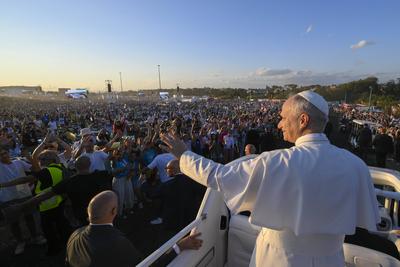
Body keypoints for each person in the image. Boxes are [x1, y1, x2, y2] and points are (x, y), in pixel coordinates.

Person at [161, 90, 380, 267]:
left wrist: (184, 155)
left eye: (283, 118)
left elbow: (220, 176)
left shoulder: (276, 162)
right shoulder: (356, 165)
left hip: (280, 260)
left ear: (303, 120)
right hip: (331, 260)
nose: (279, 124)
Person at [66, 190, 203, 267]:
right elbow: (145, 266)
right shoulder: (116, 243)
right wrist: (178, 246)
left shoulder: (75, 235)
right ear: (114, 211)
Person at [0, 146, 45, 255]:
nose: (4, 155)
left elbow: (36, 169)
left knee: (29, 217)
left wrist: (29, 157)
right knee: (13, 222)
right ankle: (20, 242)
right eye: (1, 154)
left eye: (5, 152)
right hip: (8, 198)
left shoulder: (18, 162)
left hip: (25, 195)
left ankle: (35, 237)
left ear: (8, 152)